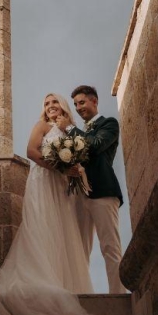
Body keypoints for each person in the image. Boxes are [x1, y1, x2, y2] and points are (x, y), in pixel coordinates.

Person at [0, 93, 94, 315]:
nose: (50, 106)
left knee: (61, 229)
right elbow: (32, 151)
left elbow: (80, 158)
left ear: (63, 106)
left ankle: (61, 281)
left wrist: (73, 170)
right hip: (43, 181)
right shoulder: (42, 126)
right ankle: (39, 276)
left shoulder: (71, 131)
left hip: (61, 187)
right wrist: (60, 167)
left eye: (54, 102)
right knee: (41, 223)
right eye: (46, 103)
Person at [64, 85, 126, 294]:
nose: (78, 107)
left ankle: (118, 296)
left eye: (82, 102)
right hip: (79, 195)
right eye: (75, 104)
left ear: (94, 101)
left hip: (103, 192)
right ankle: (81, 293)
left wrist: (71, 129)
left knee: (110, 246)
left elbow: (94, 146)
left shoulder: (109, 124)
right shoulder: (78, 132)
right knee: (79, 248)